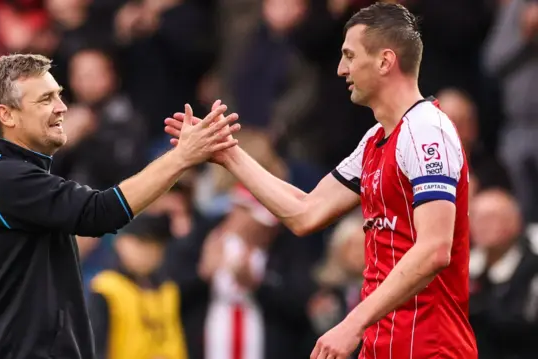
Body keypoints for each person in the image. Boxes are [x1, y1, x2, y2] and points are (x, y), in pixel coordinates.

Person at [164, 3, 476, 359]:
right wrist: (228, 154)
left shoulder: (426, 131)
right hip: (383, 345)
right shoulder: (376, 139)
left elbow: (435, 249)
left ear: (385, 61)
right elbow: (305, 212)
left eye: (349, 55)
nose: (341, 69)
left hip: (430, 348)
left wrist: (351, 323)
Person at [0, 53, 240, 359]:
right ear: (7, 115)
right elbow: (99, 212)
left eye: (59, 95)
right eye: (46, 99)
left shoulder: (17, 173)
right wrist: (182, 157)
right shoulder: (6, 175)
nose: (62, 107)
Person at [88, 213, 187, 359]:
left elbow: (176, 342)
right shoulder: (106, 288)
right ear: (120, 242)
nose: (150, 251)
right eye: (142, 242)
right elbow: (96, 348)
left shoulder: (168, 289)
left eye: (157, 244)